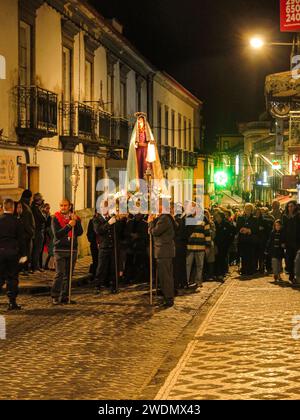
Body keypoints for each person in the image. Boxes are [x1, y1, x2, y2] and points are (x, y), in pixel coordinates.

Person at [51, 199, 83, 305]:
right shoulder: (55, 218)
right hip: (60, 249)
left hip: (71, 249)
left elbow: (79, 232)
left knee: (69, 275)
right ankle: (55, 296)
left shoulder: (74, 217)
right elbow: (57, 234)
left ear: (69, 206)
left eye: (65, 205)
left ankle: (65, 296)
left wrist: (76, 222)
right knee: (59, 273)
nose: (63, 207)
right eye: (61, 205)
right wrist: (69, 225)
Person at [0, 199, 26, 310]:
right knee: (12, 278)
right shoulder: (17, 221)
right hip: (12, 252)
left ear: (3, 207)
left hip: (0, 251)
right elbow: (21, 239)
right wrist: (24, 254)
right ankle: (12, 302)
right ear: (13, 208)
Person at [148, 203, 176, 307]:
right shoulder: (164, 217)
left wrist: (150, 223)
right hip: (163, 251)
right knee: (164, 276)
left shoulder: (164, 218)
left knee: (166, 277)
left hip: (164, 251)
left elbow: (155, 231)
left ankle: (168, 298)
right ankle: (167, 297)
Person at [93, 201, 121, 294]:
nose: (105, 210)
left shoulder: (112, 218)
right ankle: (97, 285)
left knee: (113, 267)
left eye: (107, 208)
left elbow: (118, 231)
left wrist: (119, 220)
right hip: (104, 246)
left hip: (113, 246)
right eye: (104, 208)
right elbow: (99, 230)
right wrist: (109, 223)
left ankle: (114, 285)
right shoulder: (97, 219)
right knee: (101, 267)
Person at [185, 204, 211, 288]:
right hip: (190, 246)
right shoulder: (189, 218)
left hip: (200, 246)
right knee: (188, 264)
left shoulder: (204, 218)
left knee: (199, 265)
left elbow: (207, 232)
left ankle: (198, 281)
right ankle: (187, 281)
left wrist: (208, 245)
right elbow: (186, 231)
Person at [237, 203, 259, 277]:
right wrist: (242, 229)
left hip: (250, 240)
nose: (247, 211)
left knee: (250, 255)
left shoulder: (255, 219)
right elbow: (238, 227)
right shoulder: (240, 218)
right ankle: (243, 269)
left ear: (252, 210)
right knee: (243, 256)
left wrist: (249, 230)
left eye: (249, 209)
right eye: (246, 209)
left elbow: (256, 229)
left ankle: (250, 270)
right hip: (242, 239)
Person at [214, 210, 236, 281]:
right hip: (216, 245)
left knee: (222, 259)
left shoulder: (227, 224)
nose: (216, 218)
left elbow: (232, 233)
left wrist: (228, 242)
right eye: (216, 217)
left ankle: (222, 273)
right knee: (217, 259)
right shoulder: (215, 224)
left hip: (224, 245)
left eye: (218, 217)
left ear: (221, 217)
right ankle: (217, 273)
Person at [282, 200, 300, 283]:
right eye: (289, 206)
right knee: (289, 259)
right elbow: (283, 229)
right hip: (288, 241)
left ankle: (296, 275)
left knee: (297, 260)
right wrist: (283, 241)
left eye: (291, 206)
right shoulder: (285, 216)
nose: (290, 208)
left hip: (297, 241)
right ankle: (291, 275)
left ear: (295, 206)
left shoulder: (298, 215)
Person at [19, 189, 35, 275]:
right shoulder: (24, 206)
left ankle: (25, 268)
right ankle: (23, 269)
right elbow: (26, 222)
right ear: (28, 197)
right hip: (25, 234)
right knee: (25, 252)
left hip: (26, 234)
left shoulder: (25, 205)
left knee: (26, 252)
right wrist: (31, 231)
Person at [31, 193, 46, 273]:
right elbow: (42, 219)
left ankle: (36, 266)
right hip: (37, 231)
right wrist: (43, 212)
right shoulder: (35, 209)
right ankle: (35, 267)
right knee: (37, 250)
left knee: (37, 250)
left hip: (37, 231)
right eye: (41, 199)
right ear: (38, 200)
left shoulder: (35, 208)